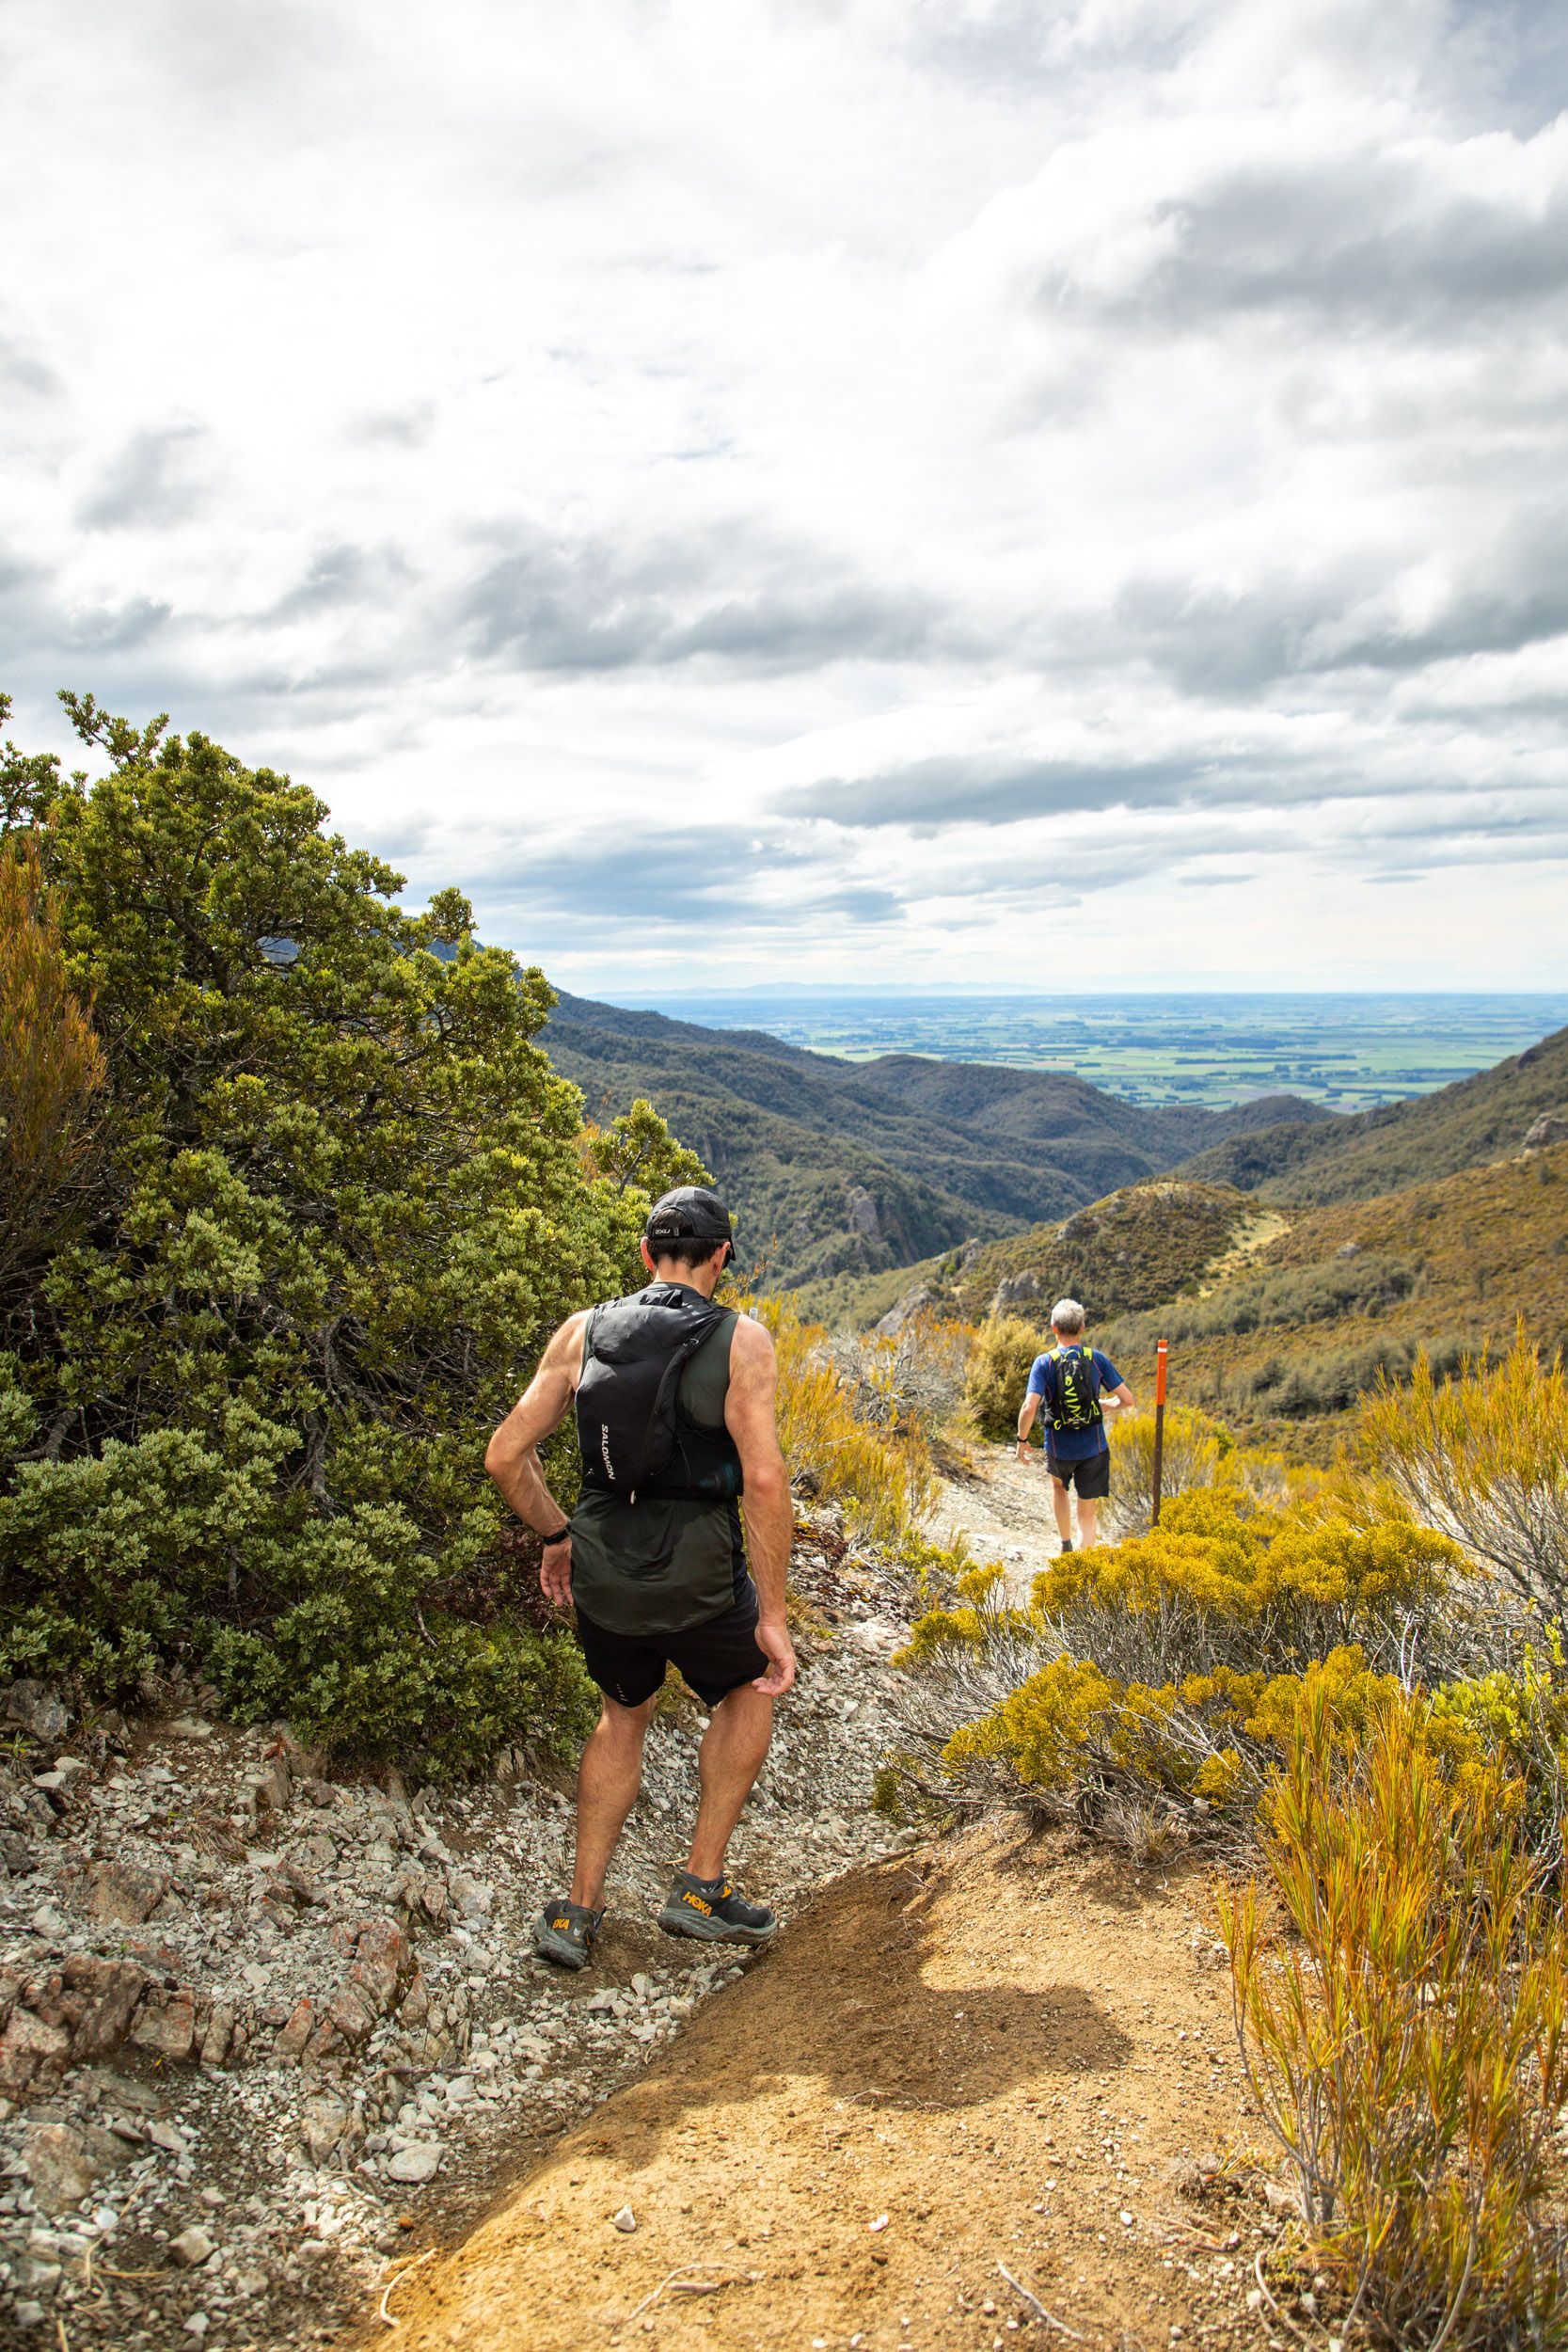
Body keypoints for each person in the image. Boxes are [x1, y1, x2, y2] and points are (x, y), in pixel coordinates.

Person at [484, 1184, 796, 1973]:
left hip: (603, 1564)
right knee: (746, 1685)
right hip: (696, 1569)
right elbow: (762, 1481)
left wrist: (558, 1535)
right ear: (722, 1256)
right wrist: (774, 1613)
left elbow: (503, 1456)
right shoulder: (741, 1340)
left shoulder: (583, 1331)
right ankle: (698, 1888)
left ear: (645, 1254)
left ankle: (579, 1911)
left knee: (621, 1714)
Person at [1015, 1297, 1134, 1552]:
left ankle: (1066, 1544)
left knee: (1059, 1488)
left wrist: (1022, 1440)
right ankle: (1084, 1562)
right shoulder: (1096, 1359)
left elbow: (1029, 1407)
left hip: (1060, 1447)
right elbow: (1127, 1400)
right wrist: (1102, 1405)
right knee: (1087, 1509)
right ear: (1082, 1328)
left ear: (1053, 1328)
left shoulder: (1044, 1362)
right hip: (1094, 1447)